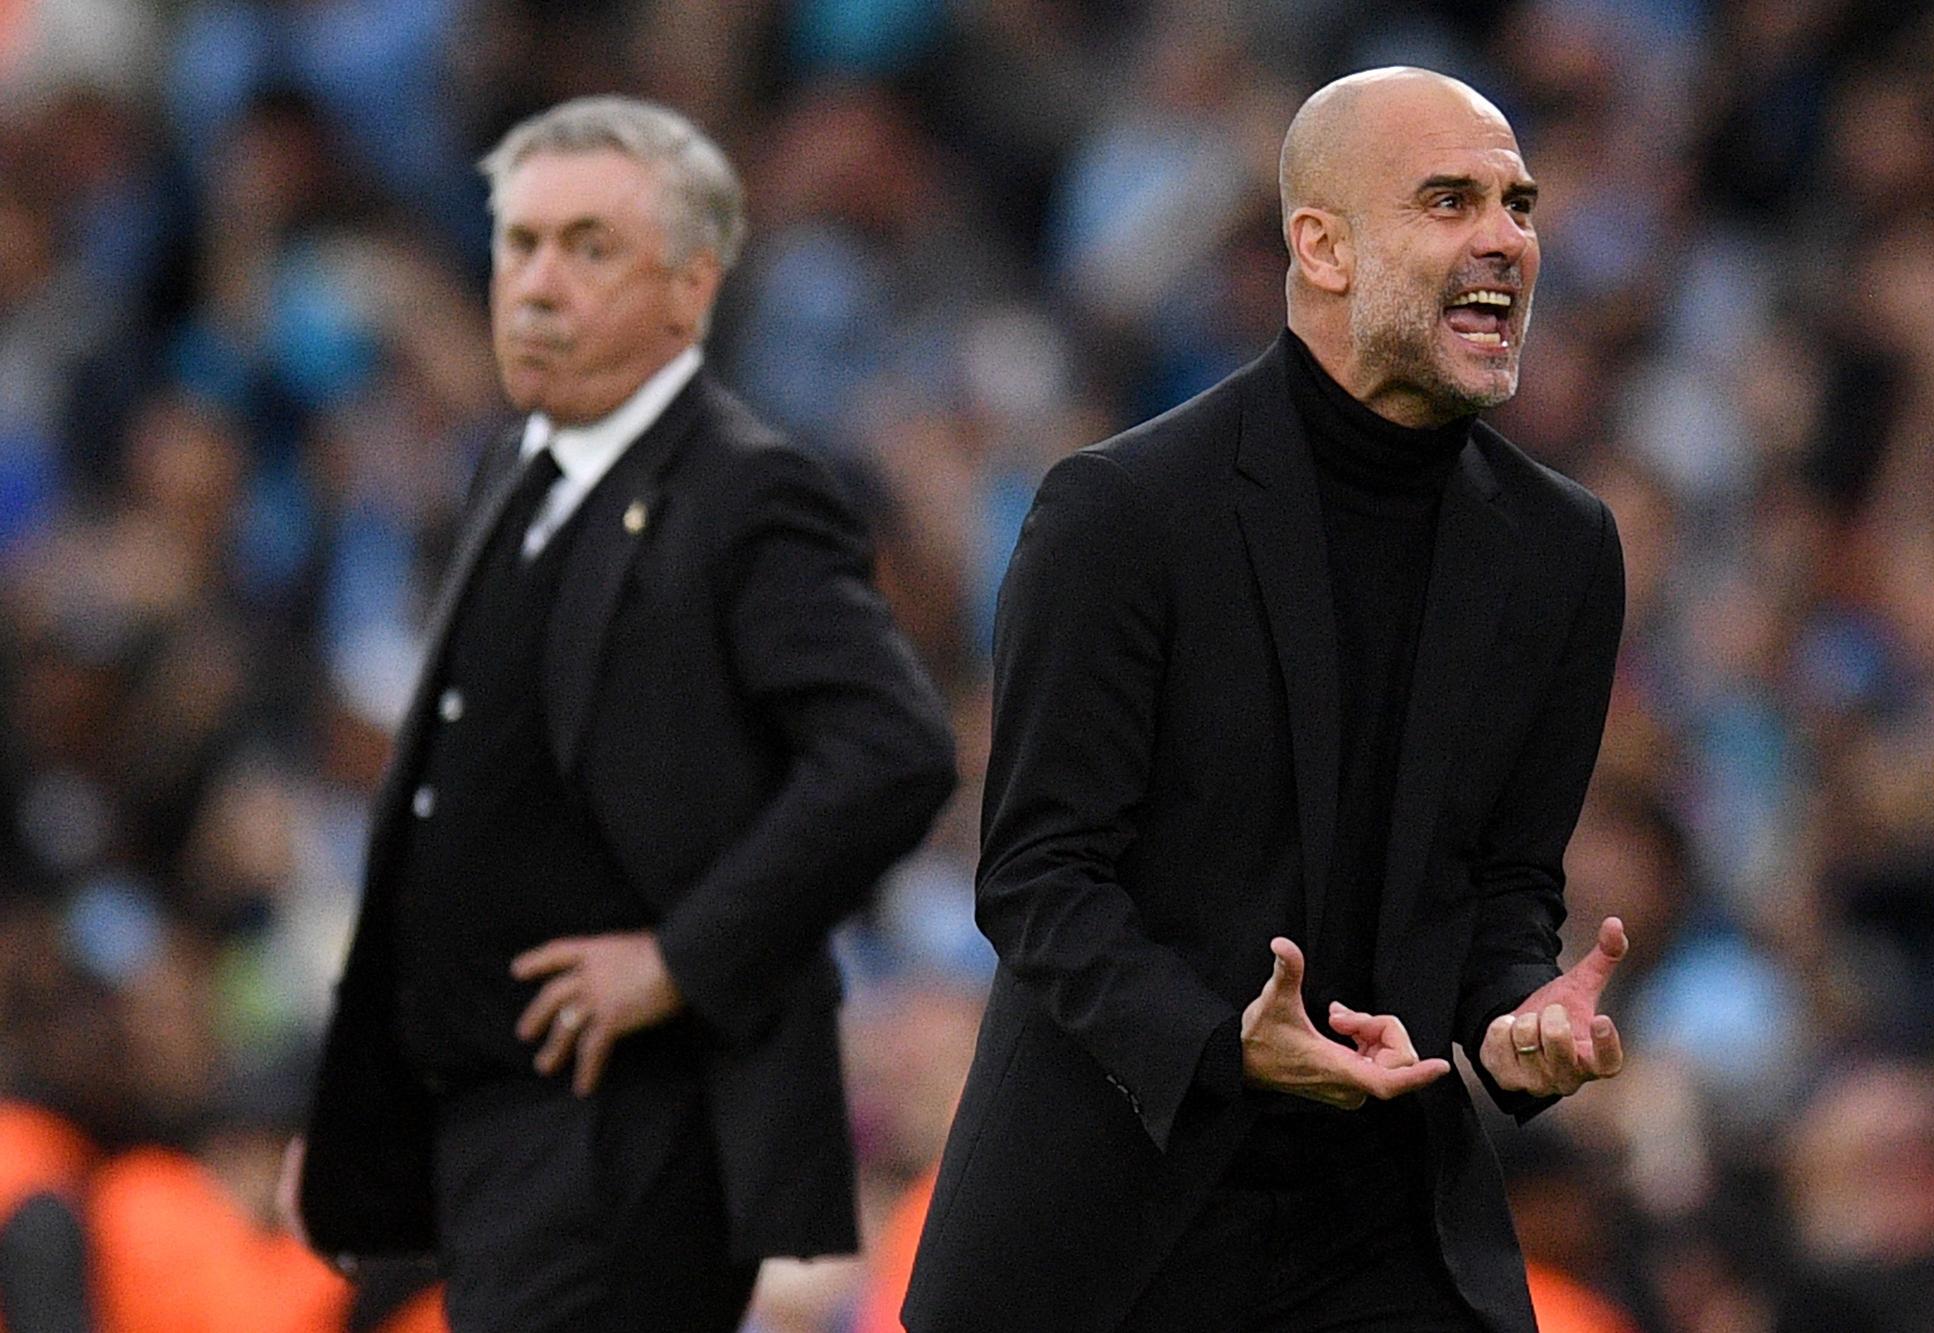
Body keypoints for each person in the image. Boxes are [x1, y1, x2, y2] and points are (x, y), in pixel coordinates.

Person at [904, 67, 1628, 1332]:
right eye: (1449, 201)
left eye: (1518, 205)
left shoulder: (1561, 551)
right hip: (1107, 1233)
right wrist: (1220, 1042)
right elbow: (1035, 877)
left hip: (1386, 1224)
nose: (1505, 241)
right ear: (1323, 246)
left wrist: (1516, 1017)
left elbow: (1504, 890)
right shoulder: (1121, 513)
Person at [291, 95, 957, 1332]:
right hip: (506, 1117)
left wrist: (679, 959)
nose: (537, 283)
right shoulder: (514, 473)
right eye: (520, 243)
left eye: (587, 247)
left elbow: (893, 752)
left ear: (687, 287)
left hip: (654, 1126)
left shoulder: (746, 495)